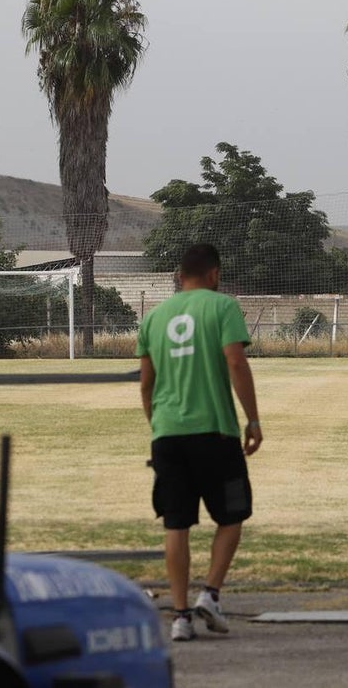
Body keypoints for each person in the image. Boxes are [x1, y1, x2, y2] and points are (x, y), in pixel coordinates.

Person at [137, 242, 262, 642]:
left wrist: (157, 423)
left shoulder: (154, 316)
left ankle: (179, 615)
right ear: (214, 275)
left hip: (168, 434)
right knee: (232, 515)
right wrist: (253, 419)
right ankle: (210, 593)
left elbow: (146, 381)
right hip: (214, 431)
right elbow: (236, 362)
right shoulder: (222, 306)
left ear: (178, 276)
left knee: (176, 524)